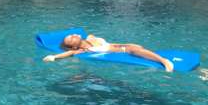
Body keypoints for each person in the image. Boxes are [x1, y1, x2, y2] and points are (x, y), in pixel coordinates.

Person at [43, 33, 174, 72]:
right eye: (71, 38)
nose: (73, 35)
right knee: (136, 50)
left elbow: (90, 35)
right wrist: (54, 57)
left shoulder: (90, 38)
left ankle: (162, 60)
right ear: (74, 47)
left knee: (137, 48)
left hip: (124, 45)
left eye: (71, 35)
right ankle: (164, 61)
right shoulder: (83, 50)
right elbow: (68, 54)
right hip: (124, 50)